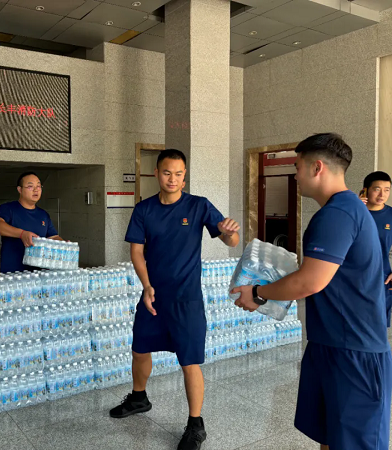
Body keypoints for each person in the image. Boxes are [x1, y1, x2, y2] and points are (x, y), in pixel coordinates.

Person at [231, 133, 391, 450]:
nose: (295, 176)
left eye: (297, 167)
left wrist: (258, 292)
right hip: (330, 343)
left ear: (317, 167)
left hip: (353, 351)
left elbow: (311, 281)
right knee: (330, 437)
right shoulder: (342, 210)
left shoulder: (338, 214)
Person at [110, 149, 240, 450]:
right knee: (140, 349)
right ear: (156, 173)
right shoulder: (144, 210)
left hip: (187, 299)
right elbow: (136, 251)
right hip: (153, 296)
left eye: (179, 174)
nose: (173, 179)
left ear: (185, 176)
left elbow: (230, 240)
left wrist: (228, 233)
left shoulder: (198, 205)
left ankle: (195, 424)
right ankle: (139, 398)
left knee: (189, 360)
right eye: (167, 172)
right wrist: (146, 286)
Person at [0, 171, 64, 273]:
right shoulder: (8, 209)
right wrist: (22, 234)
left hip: (39, 274)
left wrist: (64, 245)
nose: (35, 190)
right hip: (13, 274)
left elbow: (53, 237)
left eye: (38, 186)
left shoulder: (43, 214)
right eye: (30, 186)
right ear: (20, 190)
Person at [360, 171, 392, 326]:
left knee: (378, 324)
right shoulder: (354, 212)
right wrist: (356, 208)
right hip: (355, 276)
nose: (382, 194)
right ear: (365, 190)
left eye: (387, 190)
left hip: (382, 277)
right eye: (377, 189)